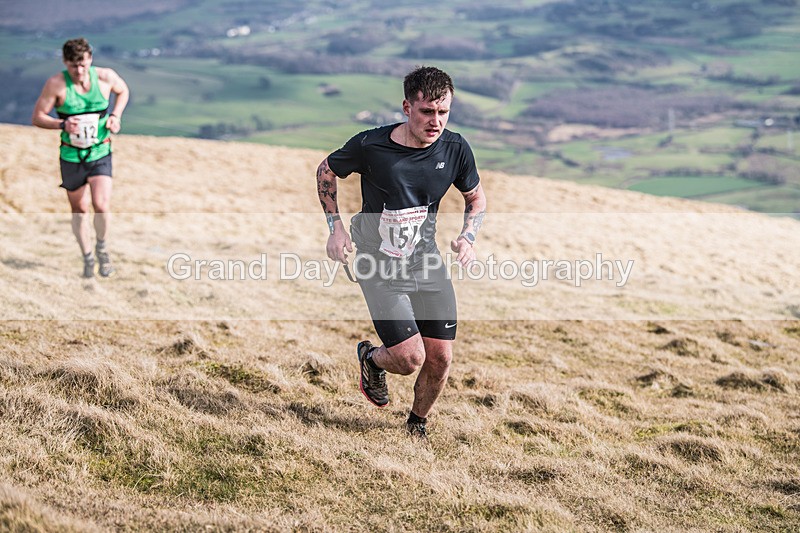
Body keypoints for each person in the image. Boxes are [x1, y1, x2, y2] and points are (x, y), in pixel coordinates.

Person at [316, 66, 487, 439]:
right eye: (427, 112)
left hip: (426, 261)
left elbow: (475, 197)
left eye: (443, 112)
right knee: (411, 359)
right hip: (377, 263)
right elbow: (327, 170)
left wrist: (468, 237)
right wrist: (336, 228)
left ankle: (416, 425)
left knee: (440, 358)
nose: (436, 122)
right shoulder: (371, 146)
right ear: (407, 107)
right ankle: (371, 358)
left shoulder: (455, 148)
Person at [32, 37, 130, 278]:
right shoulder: (56, 85)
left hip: (100, 151)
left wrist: (115, 115)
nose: (79, 70)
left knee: (102, 204)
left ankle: (102, 249)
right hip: (71, 156)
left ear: (90, 60)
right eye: (74, 65)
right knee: (80, 209)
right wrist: (62, 124)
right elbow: (37, 117)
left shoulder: (106, 77)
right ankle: (87, 256)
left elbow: (123, 90)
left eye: (84, 64)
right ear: (65, 62)